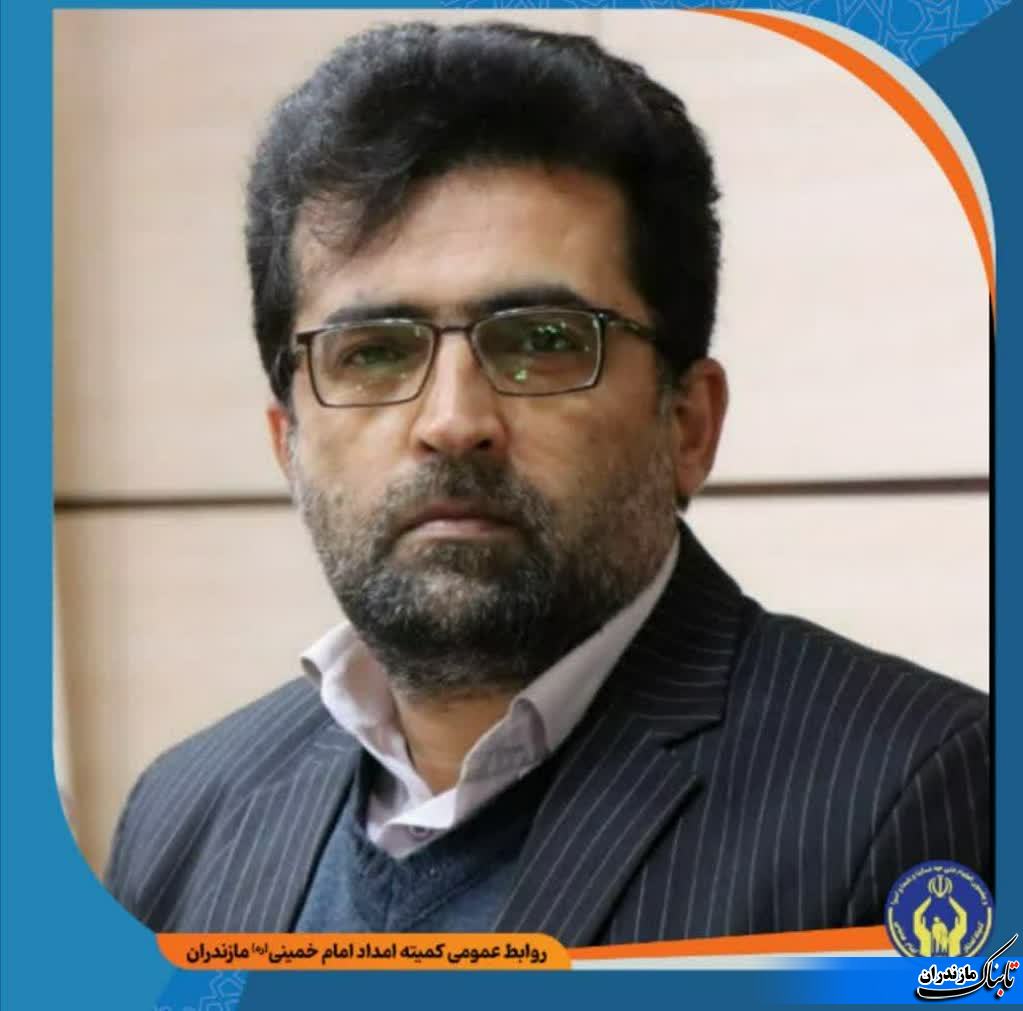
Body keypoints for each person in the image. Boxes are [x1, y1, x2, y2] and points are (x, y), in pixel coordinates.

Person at [105, 21, 990, 945]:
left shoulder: (919, 795)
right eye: (372, 352)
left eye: (542, 342)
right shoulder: (182, 813)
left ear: (688, 424)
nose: (452, 420)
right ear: (287, 443)